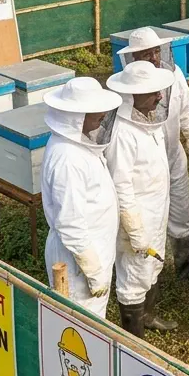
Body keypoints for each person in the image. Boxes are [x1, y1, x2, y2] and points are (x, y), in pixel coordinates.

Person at [119, 27, 189, 286]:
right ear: (133, 59)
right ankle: (144, 277)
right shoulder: (125, 87)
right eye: (146, 54)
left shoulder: (175, 75)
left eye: (156, 52)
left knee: (182, 212)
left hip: (173, 156)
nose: (154, 58)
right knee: (145, 221)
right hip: (143, 168)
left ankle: (185, 269)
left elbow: (186, 109)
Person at [105, 60, 176, 339]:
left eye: (160, 91)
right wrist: (134, 230)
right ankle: (135, 344)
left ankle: (147, 316)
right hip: (137, 216)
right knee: (134, 275)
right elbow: (120, 185)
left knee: (153, 264)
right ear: (130, 96)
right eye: (153, 92)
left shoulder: (148, 119)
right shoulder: (122, 132)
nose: (160, 97)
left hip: (156, 209)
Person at [42, 77, 122, 318]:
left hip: (91, 252)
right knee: (81, 326)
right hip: (77, 265)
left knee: (92, 321)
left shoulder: (78, 146)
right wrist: (93, 270)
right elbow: (70, 223)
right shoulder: (68, 159)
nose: (102, 115)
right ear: (76, 117)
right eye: (94, 112)